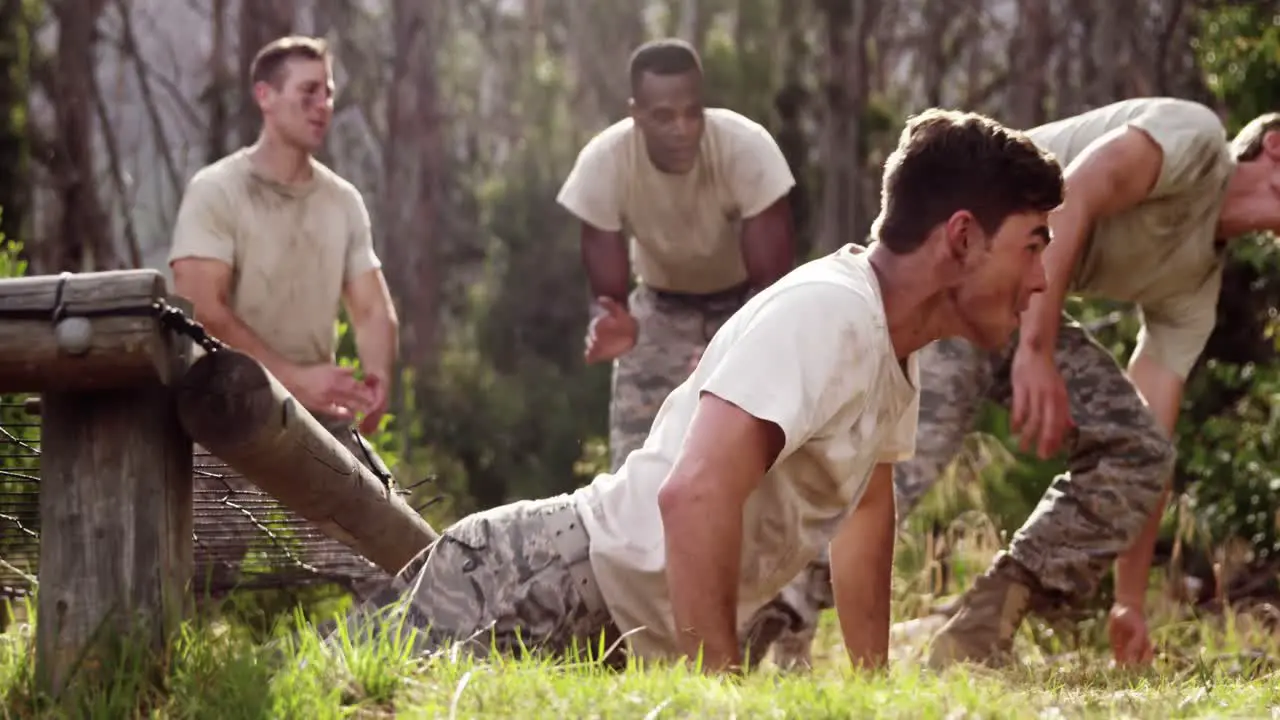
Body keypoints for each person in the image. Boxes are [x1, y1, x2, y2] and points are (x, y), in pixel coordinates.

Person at [329, 107, 1065, 673]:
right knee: (323, 691)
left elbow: (867, 514)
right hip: (541, 580)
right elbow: (695, 495)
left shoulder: (891, 346)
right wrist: (718, 693)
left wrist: (872, 692)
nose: (1041, 281)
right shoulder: (829, 314)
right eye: (1033, 246)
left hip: (611, 620)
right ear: (963, 237)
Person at [762, 97, 1280, 670]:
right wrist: (1034, 350)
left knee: (1141, 450)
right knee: (891, 470)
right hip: (951, 269)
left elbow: (1151, 431)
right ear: (1274, 146)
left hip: (1017, 303)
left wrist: (1128, 602)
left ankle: (980, 630)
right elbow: (1078, 191)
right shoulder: (1197, 140)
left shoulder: (1196, 285)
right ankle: (772, 619)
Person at [167, 35, 416, 590]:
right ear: (265, 96)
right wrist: (295, 379)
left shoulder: (342, 201)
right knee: (187, 585)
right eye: (307, 92)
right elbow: (203, 310)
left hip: (315, 423)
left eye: (327, 93)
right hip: (218, 414)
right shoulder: (216, 191)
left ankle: (369, 676)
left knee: (392, 567)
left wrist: (376, 387)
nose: (322, 105)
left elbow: (374, 310)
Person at [555, 38, 798, 473]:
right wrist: (609, 322)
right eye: (663, 116)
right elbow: (608, 296)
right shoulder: (605, 165)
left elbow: (774, 290)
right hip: (658, 311)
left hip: (747, 309)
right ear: (636, 114)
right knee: (637, 469)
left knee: (757, 469)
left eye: (692, 112)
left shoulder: (747, 150)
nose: (682, 128)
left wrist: (729, 343)